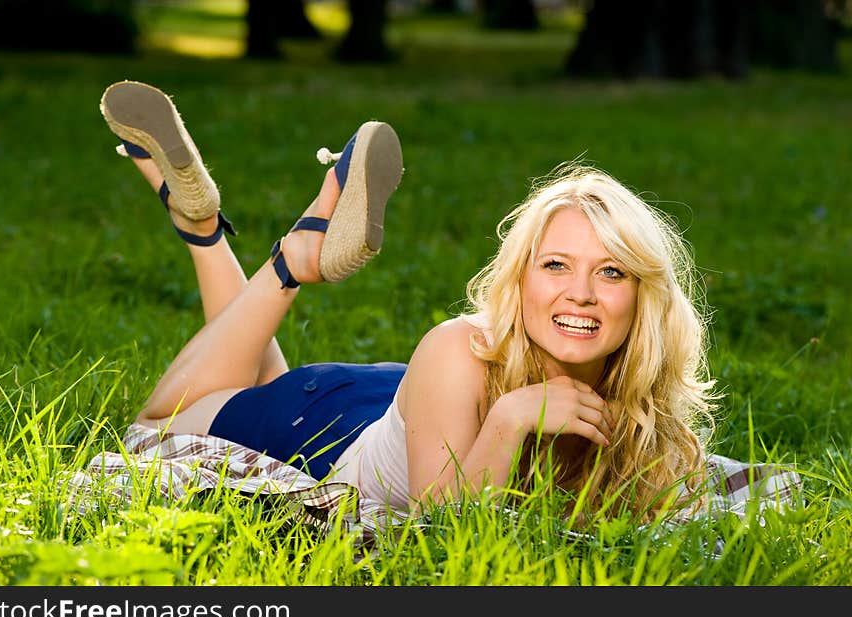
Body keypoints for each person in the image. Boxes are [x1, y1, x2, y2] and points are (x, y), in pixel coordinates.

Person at [99, 80, 718, 525]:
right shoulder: (459, 346)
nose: (579, 293)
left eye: (610, 271)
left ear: (644, 296)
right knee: (153, 427)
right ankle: (289, 256)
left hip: (408, 406)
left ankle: (201, 224)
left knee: (250, 374)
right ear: (521, 282)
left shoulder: (643, 392)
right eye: (555, 265)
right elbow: (443, 531)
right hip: (323, 429)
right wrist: (507, 421)